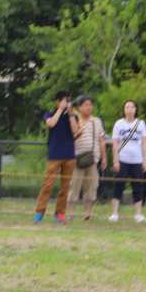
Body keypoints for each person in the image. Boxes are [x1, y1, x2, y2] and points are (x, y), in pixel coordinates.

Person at [35, 90, 77, 224]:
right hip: (54, 154)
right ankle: (39, 213)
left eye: (68, 100)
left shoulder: (72, 115)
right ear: (58, 101)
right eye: (64, 100)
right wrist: (60, 110)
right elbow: (51, 124)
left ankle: (60, 214)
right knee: (48, 185)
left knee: (65, 187)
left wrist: (70, 114)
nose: (67, 103)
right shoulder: (50, 113)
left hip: (69, 155)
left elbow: (75, 131)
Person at [110, 100, 146, 223]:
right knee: (118, 186)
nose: (129, 109)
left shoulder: (141, 124)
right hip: (122, 159)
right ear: (124, 110)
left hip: (137, 160)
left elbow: (144, 143)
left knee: (138, 187)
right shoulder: (118, 124)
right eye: (127, 107)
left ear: (136, 109)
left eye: (132, 107)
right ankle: (114, 213)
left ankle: (138, 214)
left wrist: (145, 160)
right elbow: (115, 143)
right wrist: (115, 160)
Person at [68, 96, 106, 221]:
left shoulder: (97, 121)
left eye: (90, 104)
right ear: (79, 107)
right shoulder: (74, 119)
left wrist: (104, 158)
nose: (88, 107)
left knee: (91, 186)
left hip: (92, 158)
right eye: (85, 105)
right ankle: (70, 212)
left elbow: (101, 140)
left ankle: (87, 212)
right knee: (74, 186)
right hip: (76, 158)